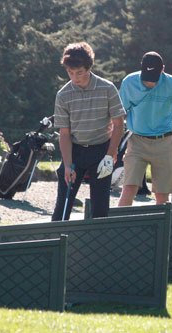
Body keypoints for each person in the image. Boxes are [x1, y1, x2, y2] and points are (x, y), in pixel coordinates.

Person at [51, 42, 126, 220]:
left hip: (102, 149)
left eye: (79, 73)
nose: (75, 78)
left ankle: (99, 245)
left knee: (100, 209)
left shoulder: (107, 88)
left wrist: (111, 154)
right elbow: (64, 133)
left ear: (89, 68)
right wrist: (68, 165)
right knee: (62, 207)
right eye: (70, 72)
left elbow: (119, 123)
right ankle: (55, 244)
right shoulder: (63, 94)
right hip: (75, 150)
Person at [118, 51, 172, 206]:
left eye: (154, 78)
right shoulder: (129, 82)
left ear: (163, 69)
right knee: (129, 188)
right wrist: (111, 149)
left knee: (162, 195)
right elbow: (119, 116)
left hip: (165, 143)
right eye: (147, 77)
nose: (150, 83)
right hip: (136, 141)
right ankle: (118, 229)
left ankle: (160, 229)